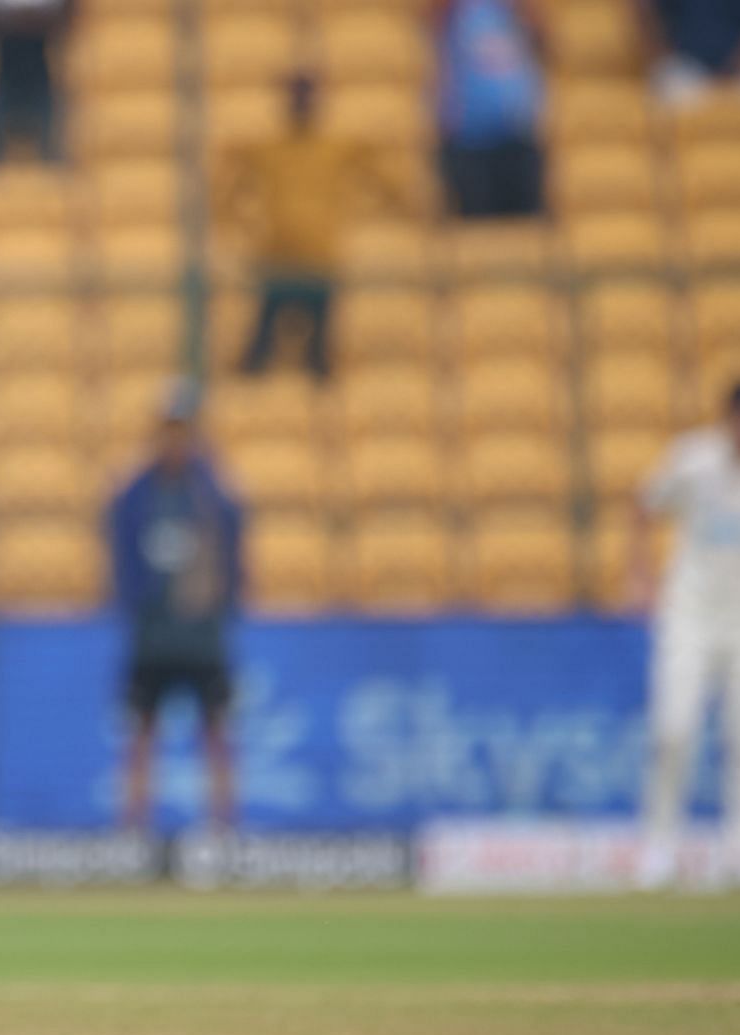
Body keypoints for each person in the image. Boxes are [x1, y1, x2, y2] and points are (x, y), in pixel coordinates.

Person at [633, 381, 740, 890]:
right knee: (673, 729)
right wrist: (640, 576)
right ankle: (660, 847)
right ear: (727, 418)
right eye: (739, 420)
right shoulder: (693, 460)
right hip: (690, 615)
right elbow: (643, 507)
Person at [108, 381, 245, 835]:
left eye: (183, 431)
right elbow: (121, 554)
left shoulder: (212, 493)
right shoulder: (137, 493)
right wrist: (136, 606)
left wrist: (219, 602)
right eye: (169, 430)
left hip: (202, 636)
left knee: (216, 731)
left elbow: (234, 555)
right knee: (141, 732)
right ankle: (133, 828)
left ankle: (223, 827)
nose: (176, 441)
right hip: (152, 634)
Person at [221, 74, 405, 380]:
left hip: (317, 258)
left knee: (316, 351)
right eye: (297, 99)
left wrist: (374, 209)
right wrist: (240, 224)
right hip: (281, 256)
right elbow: (228, 183)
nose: (301, 106)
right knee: (262, 346)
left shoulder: (334, 147)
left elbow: (387, 181)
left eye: (305, 99)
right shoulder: (272, 150)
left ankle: (320, 410)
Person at [432, 0, 547, 219]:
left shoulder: (514, 9)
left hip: (518, 130)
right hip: (468, 136)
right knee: (478, 228)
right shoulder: (453, 10)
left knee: (525, 229)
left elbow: (543, 37)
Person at [643, 0, 740, 124]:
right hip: (690, 67)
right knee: (666, 80)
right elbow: (652, 16)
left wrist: (731, 69)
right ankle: (672, 160)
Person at [0, 0, 73, 163]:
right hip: (4, 49)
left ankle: (49, 150)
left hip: (40, 49)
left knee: (45, 90)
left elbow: (65, 11)